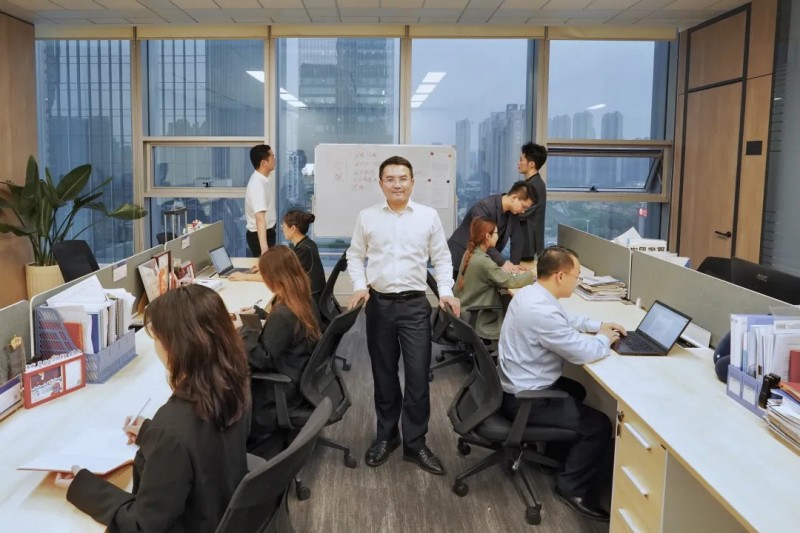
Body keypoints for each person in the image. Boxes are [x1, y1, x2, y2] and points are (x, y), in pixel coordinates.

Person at [63, 285, 251, 532]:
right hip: (218, 510)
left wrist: (83, 487)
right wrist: (151, 434)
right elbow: (198, 442)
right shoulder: (235, 382)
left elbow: (142, 525)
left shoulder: (172, 429)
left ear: (174, 346)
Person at [347, 155, 460, 476]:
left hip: (415, 307)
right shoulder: (367, 217)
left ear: (412, 182)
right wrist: (360, 286)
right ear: (381, 183)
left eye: (402, 178)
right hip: (379, 306)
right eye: (390, 179)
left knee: (417, 376)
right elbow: (355, 256)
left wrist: (446, 291)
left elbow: (442, 258)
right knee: (383, 375)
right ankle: (386, 436)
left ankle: (415, 442)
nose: (397, 184)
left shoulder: (428, 216)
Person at [496, 246, 626, 522]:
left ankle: (555, 456)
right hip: (525, 398)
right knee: (599, 426)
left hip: (518, 382)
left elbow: (565, 320)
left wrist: (598, 325)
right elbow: (583, 352)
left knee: (577, 389)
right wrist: (605, 339)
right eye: (576, 276)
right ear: (559, 276)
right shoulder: (540, 310)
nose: (578, 282)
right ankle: (571, 488)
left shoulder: (533, 293)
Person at [243, 246, 322, 455]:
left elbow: (263, 359)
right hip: (300, 377)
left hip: (281, 390)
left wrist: (242, 333)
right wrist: (260, 314)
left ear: (273, 278)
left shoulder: (283, 315)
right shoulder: (303, 298)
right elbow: (284, 332)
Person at [454, 217, 535, 341]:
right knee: (522, 325)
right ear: (488, 236)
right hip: (479, 319)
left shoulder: (471, 253)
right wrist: (532, 274)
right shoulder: (483, 261)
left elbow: (492, 273)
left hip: (465, 312)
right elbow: (511, 281)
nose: (498, 236)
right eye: (496, 233)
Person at [447, 180, 537, 279]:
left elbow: (517, 238)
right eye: (523, 207)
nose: (523, 211)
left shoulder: (513, 213)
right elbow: (484, 240)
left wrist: (514, 265)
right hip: (460, 254)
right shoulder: (484, 207)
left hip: (479, 259)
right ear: (514, 198)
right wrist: (503, 263)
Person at [231, 210, 326, 300]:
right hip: (310, 295)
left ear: (293, 228)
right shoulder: (307, 244)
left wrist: (244, 276)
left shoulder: (303, 250)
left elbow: (278, 277)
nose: (282, 230)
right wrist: (265, 267)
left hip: (307, 299)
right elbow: (284, 267)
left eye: (283, 227)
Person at [517, 142, 548, 260]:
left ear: (531, 164)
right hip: (525, 241)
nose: (518, 163)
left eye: (521, 159)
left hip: (529, 244)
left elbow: (522, 211)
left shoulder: (535, 185)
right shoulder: (531, 183)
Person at [245, 144, 277, 257]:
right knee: (265, 266)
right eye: (272, 157)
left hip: (267, 232)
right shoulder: (257, 185)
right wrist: (264, 249)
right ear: (264, 163)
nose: (274, 159)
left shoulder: (264, 178)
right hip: (260, 235)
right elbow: (260, 219)